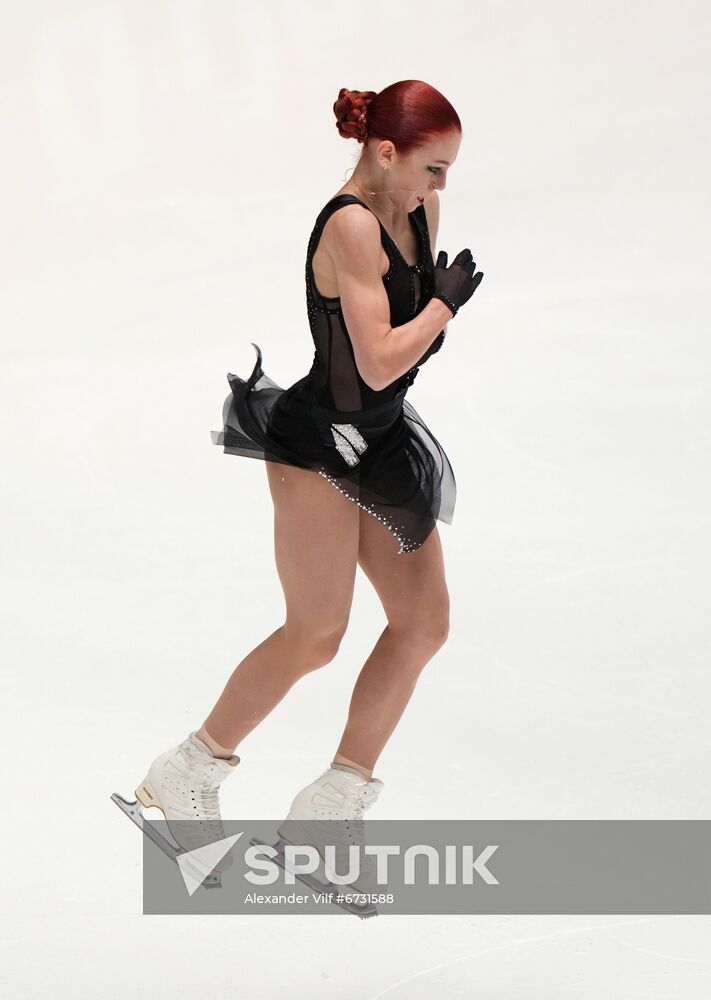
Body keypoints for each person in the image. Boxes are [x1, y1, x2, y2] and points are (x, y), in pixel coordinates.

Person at [133, 81, 483, 873]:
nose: (440, 188)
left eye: (448, 170)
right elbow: (380, 355)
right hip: (318, 443)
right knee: (317, 633)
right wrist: (443, 307)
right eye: (432, 168)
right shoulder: (351, 224)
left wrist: (430, 302)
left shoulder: (418, 210)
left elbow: (399, 360)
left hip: (382, 438)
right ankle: (184, 771)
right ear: (384, 152)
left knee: (422, 621)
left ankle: (327, 811)